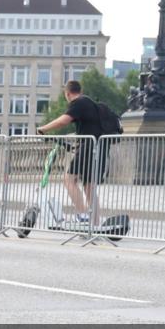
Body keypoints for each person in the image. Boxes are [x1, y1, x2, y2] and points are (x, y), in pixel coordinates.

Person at [36, 80, 109, 223]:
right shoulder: (90, 104)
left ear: (67, 94)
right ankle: (94, 222)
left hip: (88, 147)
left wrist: (42, 129)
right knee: (89, 185)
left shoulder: (78, 103)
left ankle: (83, 216)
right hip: (100, 146)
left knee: (69, 179)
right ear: (80, 90)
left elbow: (64, 120)